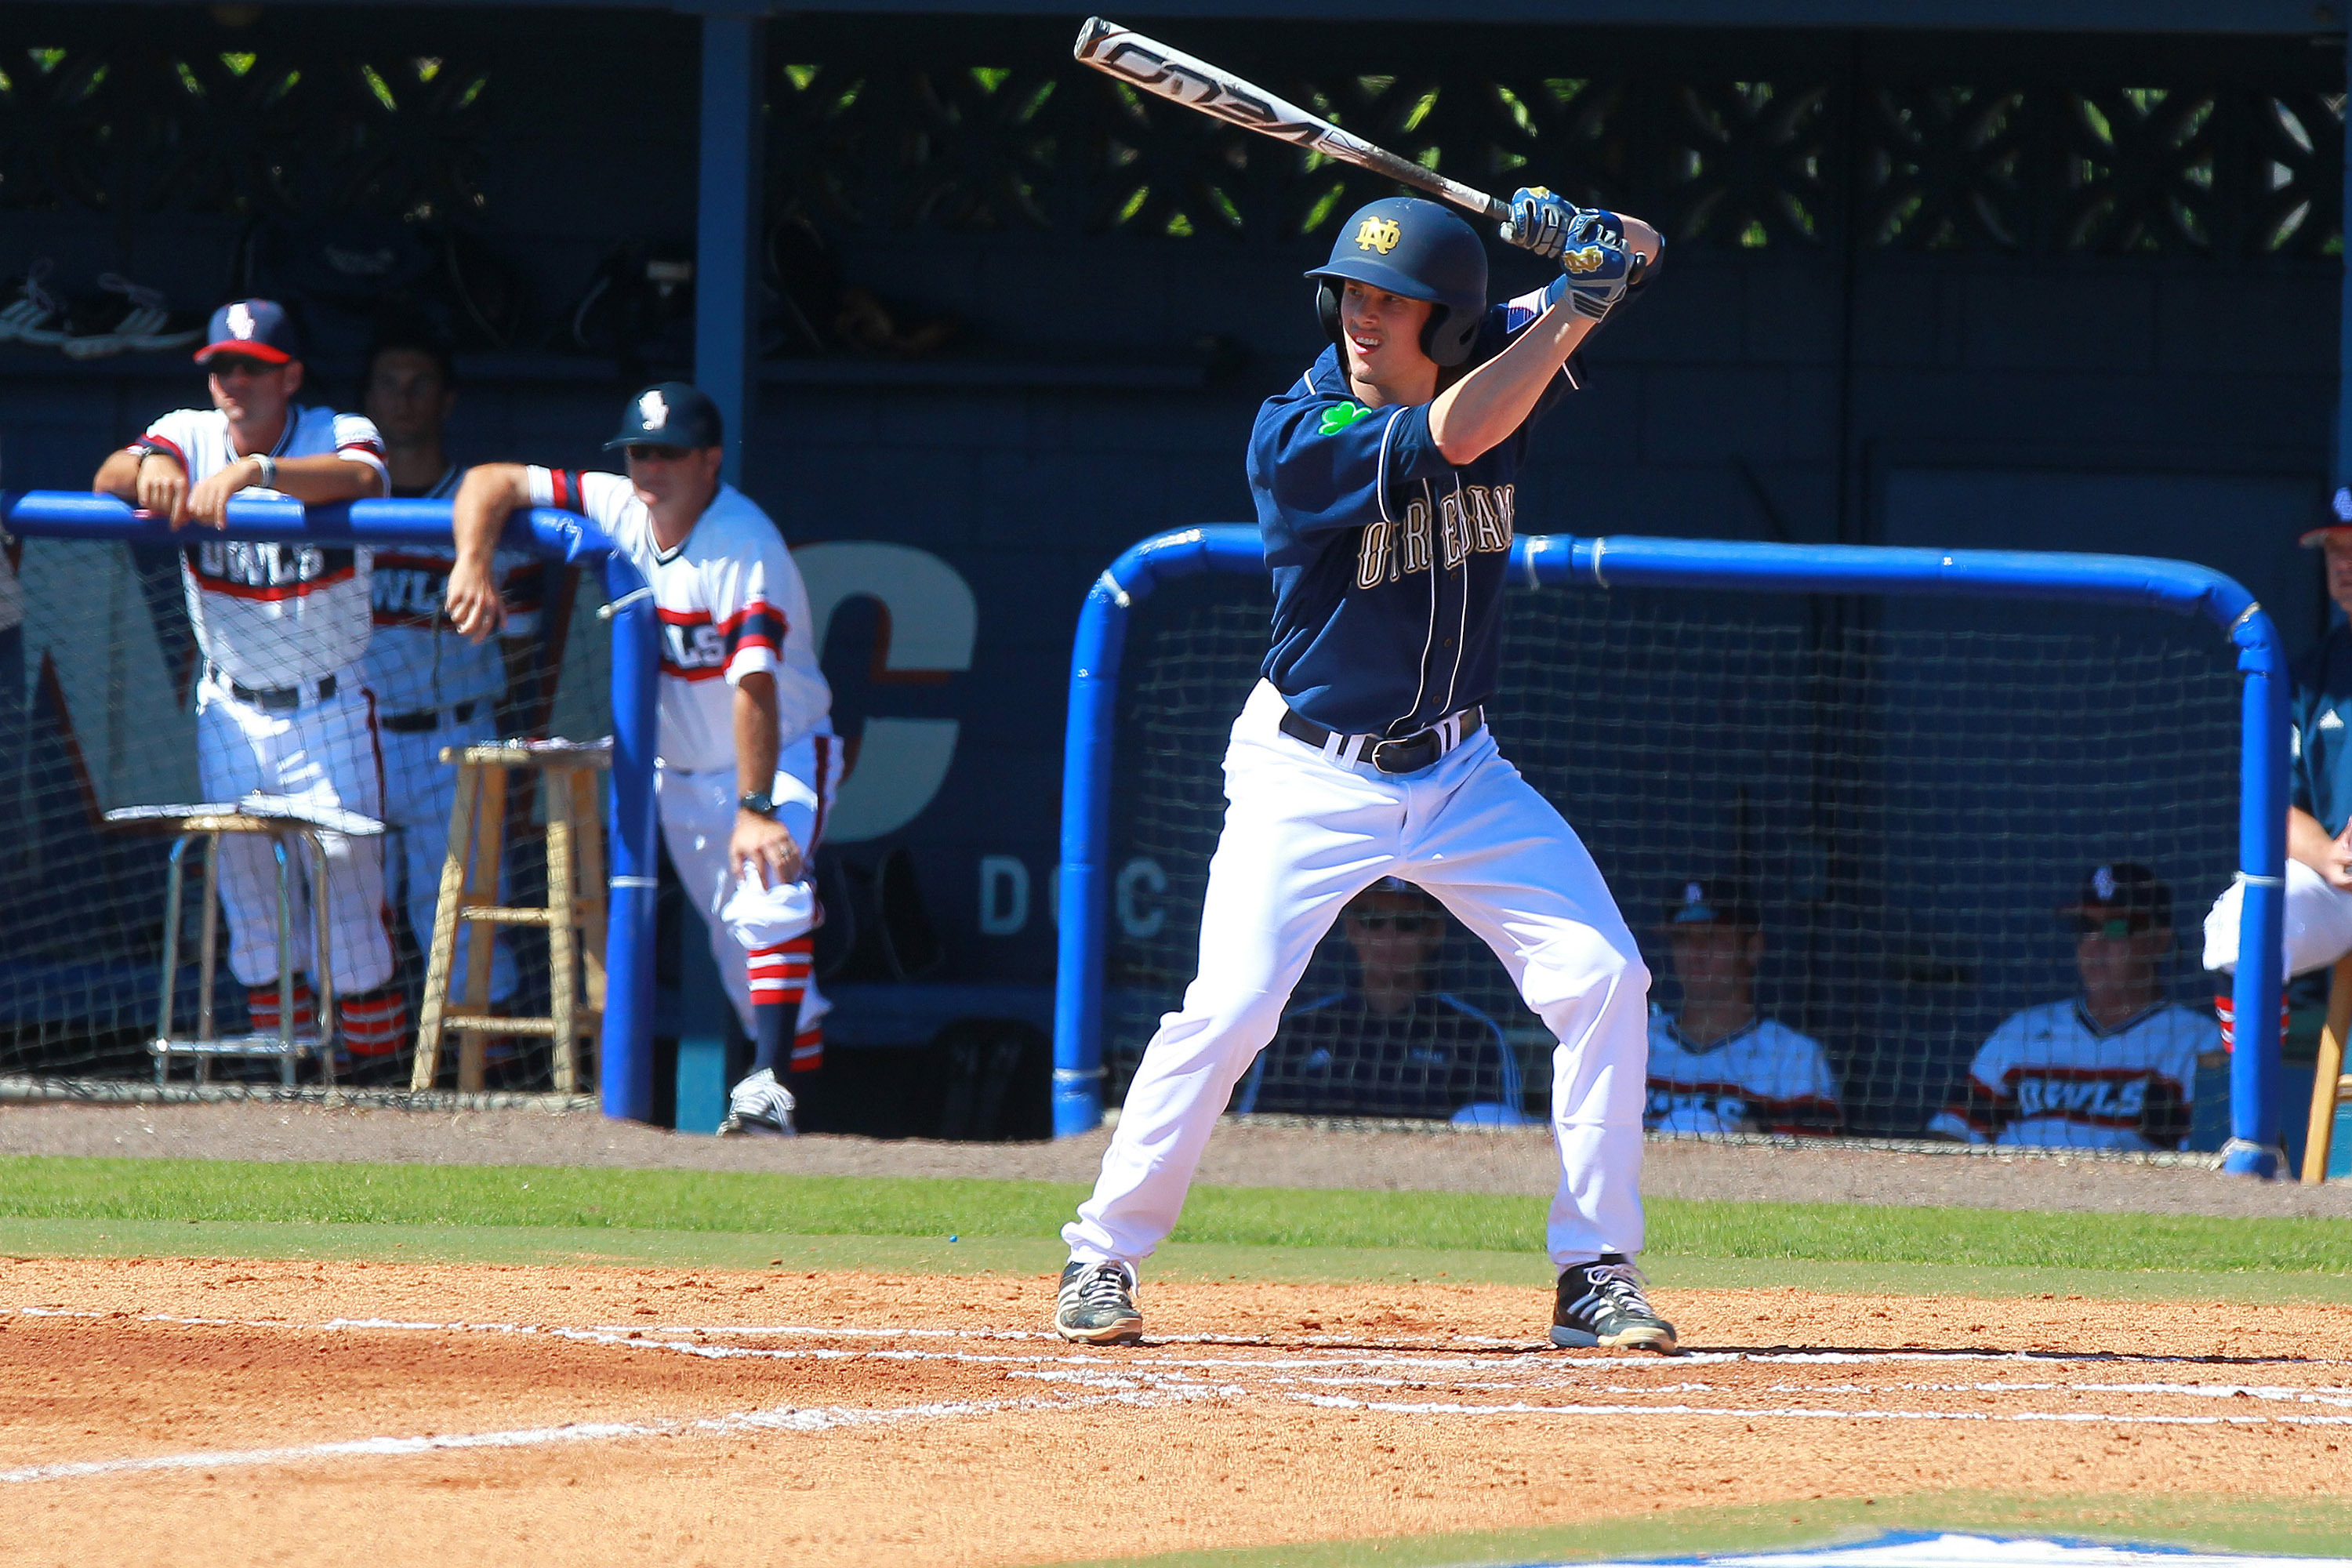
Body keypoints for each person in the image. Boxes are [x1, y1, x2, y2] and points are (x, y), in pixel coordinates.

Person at [1054, 191, 1678, 1352]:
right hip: (1312, 775)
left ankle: (1595, 1268)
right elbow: (1462, 433)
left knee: (1603, 978)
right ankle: (1104, 1255)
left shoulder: (1499, 346)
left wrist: (1578, 235)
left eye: (1390, 302)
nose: (1361, 318)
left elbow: (1640, 249)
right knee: (1231, 1010)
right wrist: (1573, 309)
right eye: (1351, 293)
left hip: (1463, 772)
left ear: (1449, 322)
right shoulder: (1299, 431)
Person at [441, 382, 840, 1134]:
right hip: (682, 771)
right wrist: (473, 561)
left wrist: (757, 809)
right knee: (741, 964)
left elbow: (755, 684)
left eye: (669, 453)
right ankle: (800, 1119)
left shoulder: (742, 542)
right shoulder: (621, 502)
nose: (650, 467)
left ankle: (771, 1085)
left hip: (779, 750)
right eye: (639, 451)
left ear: (710, 460)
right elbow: (491, 481)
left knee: (772, 895)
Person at [89, 299, 408, 1058]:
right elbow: (108, 476)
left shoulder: (335, 429)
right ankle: (282, 1083)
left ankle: (375, 1089)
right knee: (248, 894)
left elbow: (363, 477)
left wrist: (255, 472)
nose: (236, 382)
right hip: (230, 704)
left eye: (254, 368)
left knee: (350, 894)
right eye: (223, 367)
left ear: (290, 375)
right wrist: (153, 466)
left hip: (327, 706)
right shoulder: (188, 430)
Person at [357, 328, 547, 1040]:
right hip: (355, 739)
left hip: (453, 736)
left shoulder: (486, 514)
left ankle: (479, 1083)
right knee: (347, 919)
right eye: (387, 383)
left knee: (465, 922)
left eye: (419, 383)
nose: (402, 399)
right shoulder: (336, 505)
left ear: (448, 399)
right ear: (366, 400)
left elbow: (520, 652)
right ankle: (357, 1075)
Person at [2203, 489, 2352, 1040]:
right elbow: (2277, 807)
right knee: (2244, 919)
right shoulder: (2312, 674)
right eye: (2334, 550)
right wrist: (2330, 854)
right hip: (2346, 890)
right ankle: (2259, 1122)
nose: (2344, 564)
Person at [1931, 862, 2215, 1150]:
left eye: (2116, 927)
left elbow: (2207, 1161)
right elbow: (1952, 1134)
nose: (2095, 942)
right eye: (2085, 926)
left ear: (2158, 941)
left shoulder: (2199, 1040)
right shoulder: (2023, 1031)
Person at [1236, 876, 1526, 1123]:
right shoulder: (1298, 1031)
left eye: (1407, 923)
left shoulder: (1474, 1035)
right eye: (1373, 920)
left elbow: (1500, 1136)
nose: (1389, 936)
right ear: (1352, 930)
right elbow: (1254, 1133)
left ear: (1434, 932)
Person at [1645, 877, 1840, 1137]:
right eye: (1682, 938)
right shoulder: (1636, 1042)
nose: (1695, 952)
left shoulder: (1793, 1056)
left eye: (1711, 937)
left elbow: (1815, 1165)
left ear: (1753, 947)